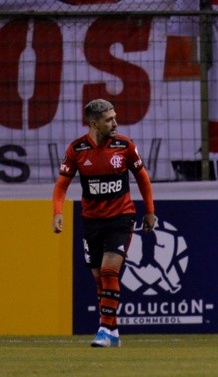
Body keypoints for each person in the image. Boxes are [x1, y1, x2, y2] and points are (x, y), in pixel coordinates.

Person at [52, 99, 156, 348]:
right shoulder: (77, 150)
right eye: (108, 119)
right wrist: (57, 212)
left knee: (110, 271)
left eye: (114, 117)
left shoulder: (125, 146)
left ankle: (103, 330)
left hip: (121, 218)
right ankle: (114, 331)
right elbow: (62, 184)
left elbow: (142, 178)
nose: (115, 122)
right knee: (99, 279)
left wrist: (150, 211)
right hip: (91, 222)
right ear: (93, 123)